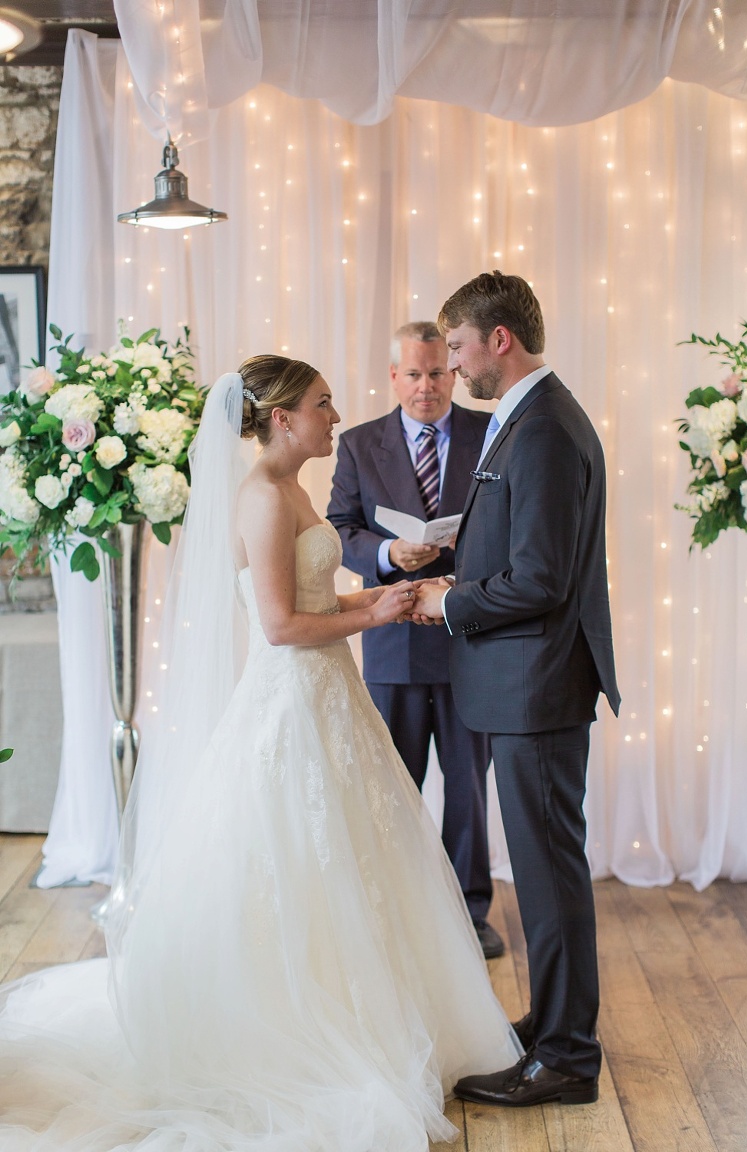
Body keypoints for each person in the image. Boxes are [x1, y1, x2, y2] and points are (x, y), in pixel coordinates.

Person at [0, 356, 520, 1151]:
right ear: (281, 419)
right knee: (298, 863)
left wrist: (375, 598)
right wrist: (371, 619)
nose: (335, 415)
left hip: (328, 694)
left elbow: (309, 601)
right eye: (321, 404)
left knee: (357, 862)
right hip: (293, 700)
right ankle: (304, 1028)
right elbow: (279, 628)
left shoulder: (293, 489)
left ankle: (384, 1016)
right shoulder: (262, 497)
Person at [411, 272, 620, 1108]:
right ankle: (555, 1023)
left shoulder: (540, 429)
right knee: (543, 869)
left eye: (457, 347)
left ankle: (567, 1056)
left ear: (500, 339)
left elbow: (539, 578)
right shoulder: (533, 418)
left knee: (548, 872)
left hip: (535, 687)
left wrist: (449, 602)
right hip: (527, 684)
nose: (452, 366)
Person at [327, 321, 502, 960]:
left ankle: (469, 915)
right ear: (393, 376)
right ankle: (395, 910)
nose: (426, 387)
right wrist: (386, 554)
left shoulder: (491, 434)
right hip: (393, 641)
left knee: (468, 789)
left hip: (469, 641)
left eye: (436, 372)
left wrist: (468, 560)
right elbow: (340, 529)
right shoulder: (358, 443)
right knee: (392, 789)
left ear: (453, 373)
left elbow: (510, 523)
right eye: (413, 374)